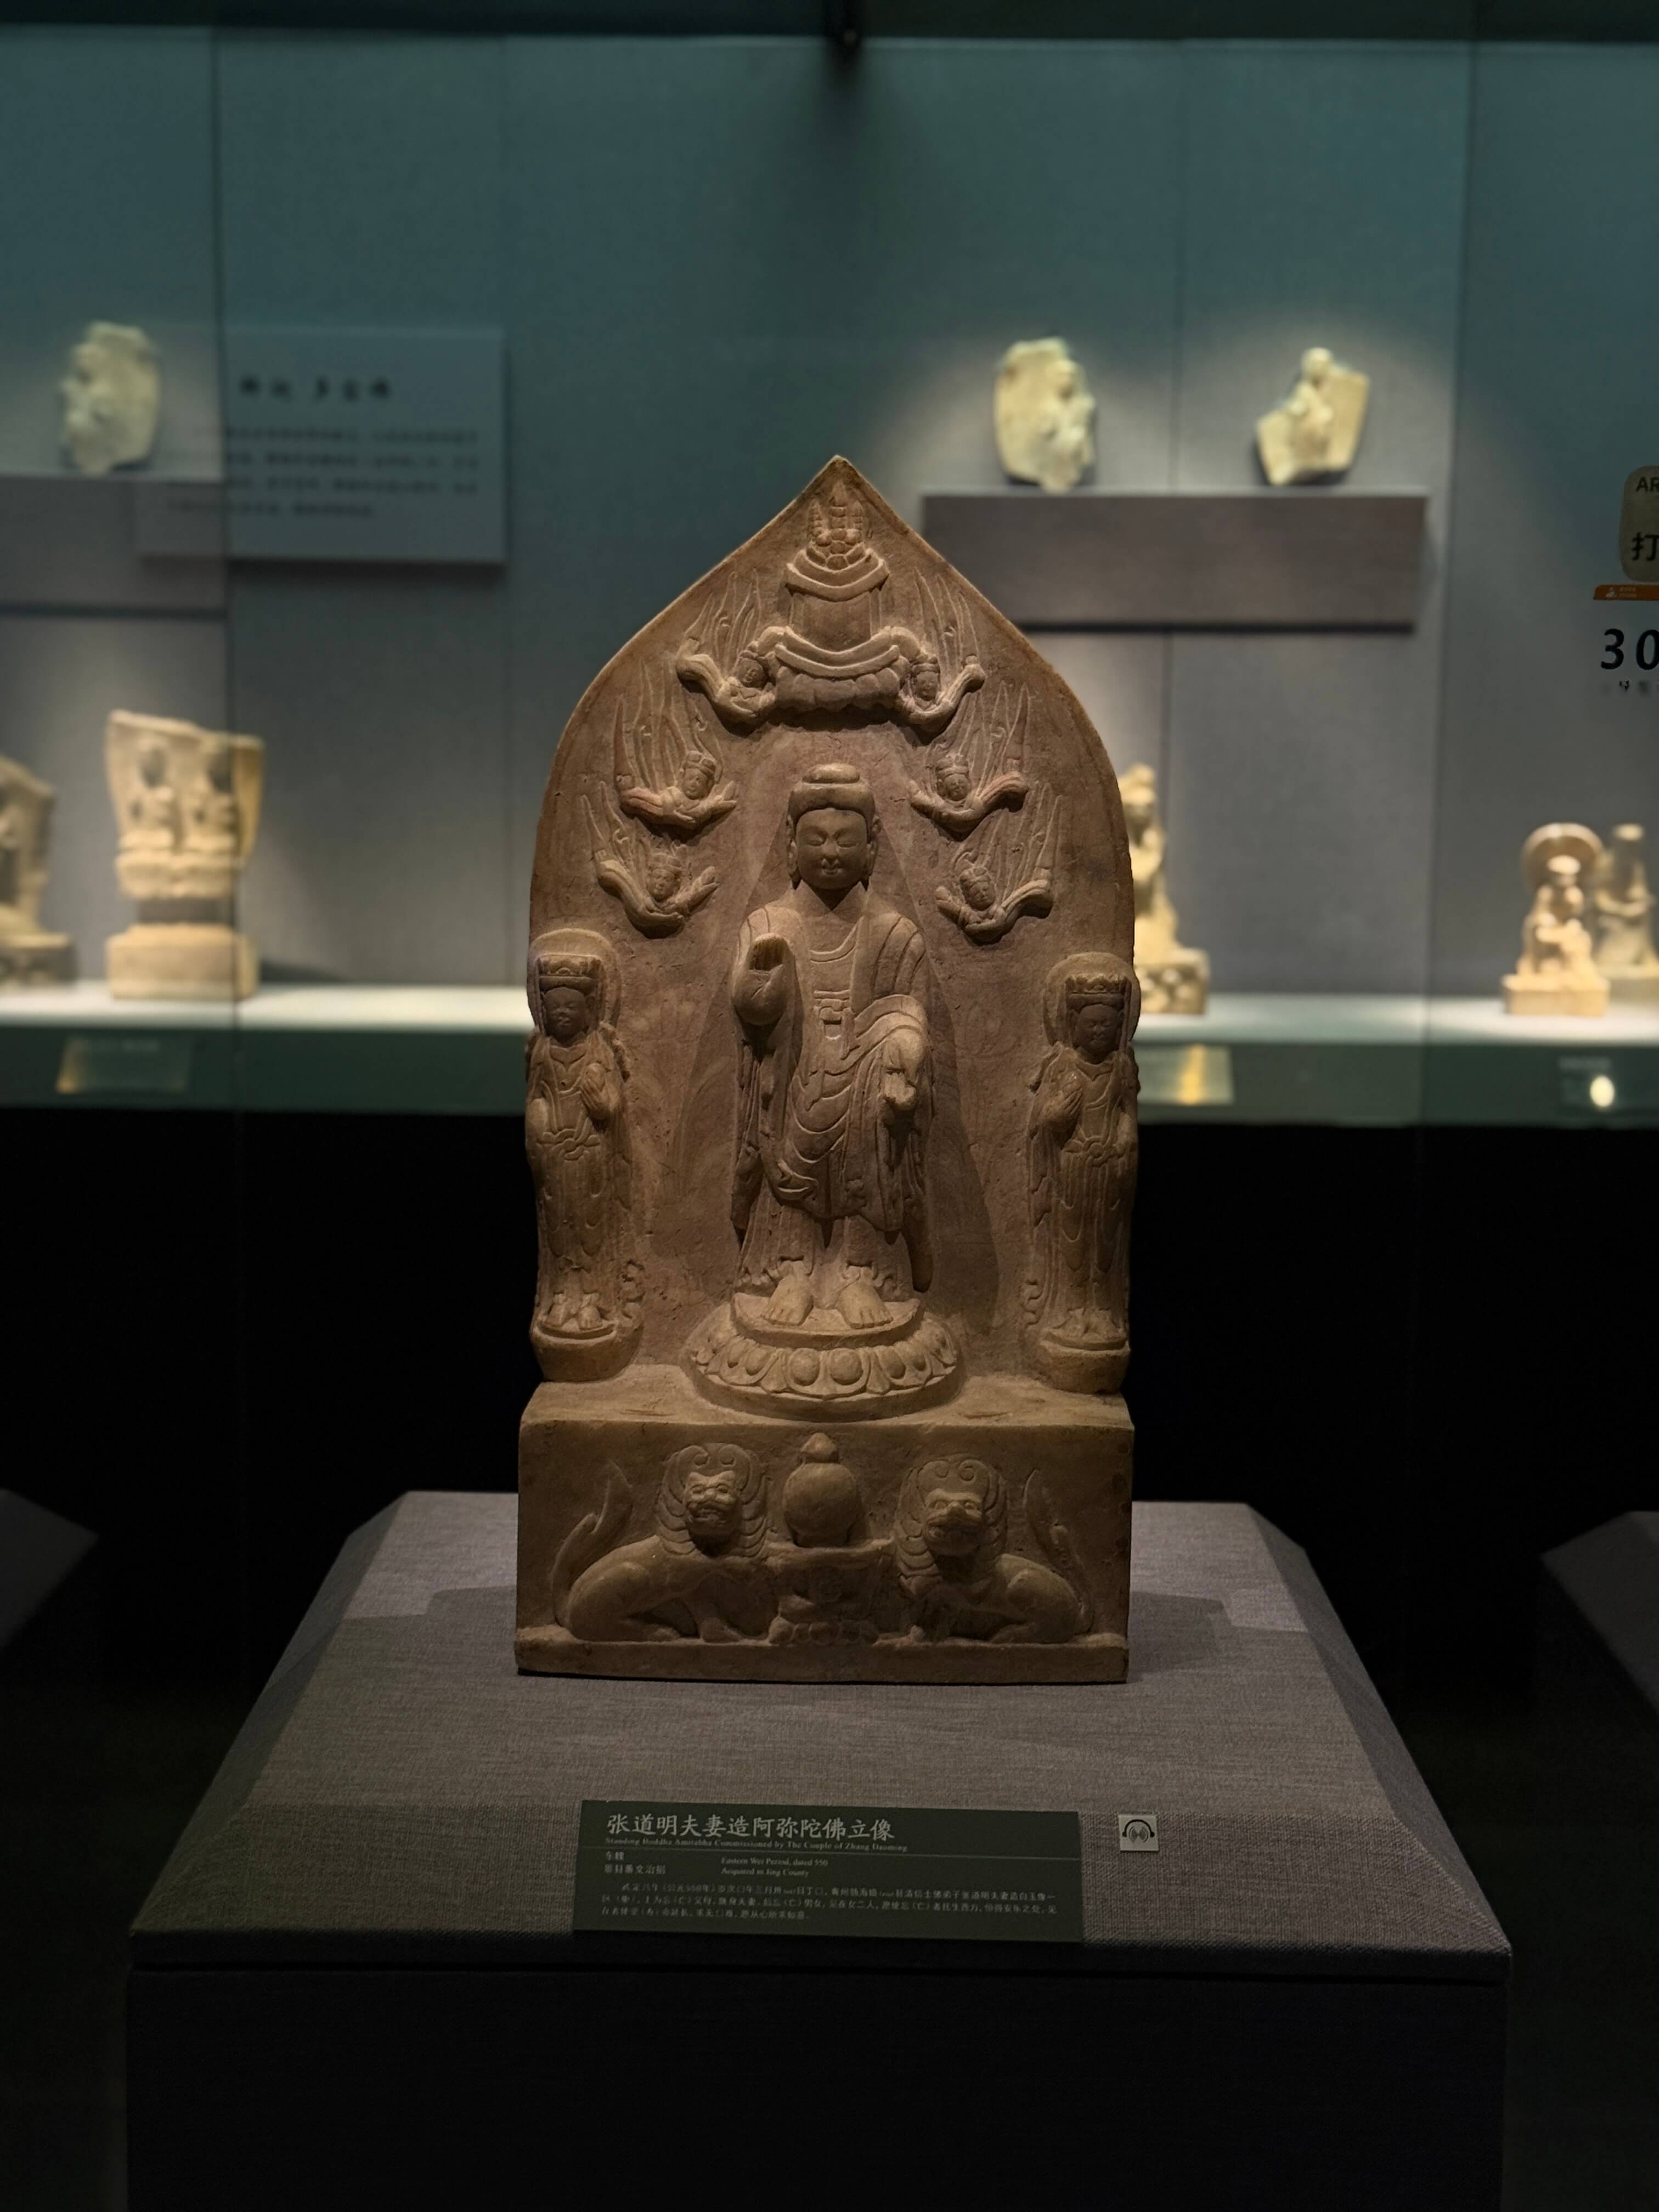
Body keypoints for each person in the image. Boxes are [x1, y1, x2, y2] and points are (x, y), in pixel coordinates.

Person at [729, 761, 932, 1331]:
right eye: (816, 839)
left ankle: (860, 1270)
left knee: (874, 1132)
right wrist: (764, 987)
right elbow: (746, 1007)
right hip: (792, 1072)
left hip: (868, 1084)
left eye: (845, 839)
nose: (831, 852)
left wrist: (899, 1051)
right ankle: (791, 1268)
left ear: (871, 849)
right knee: (789, 1134)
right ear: (792, 848)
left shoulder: (897, 934)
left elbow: (913, 1016)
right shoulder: (767, 924)